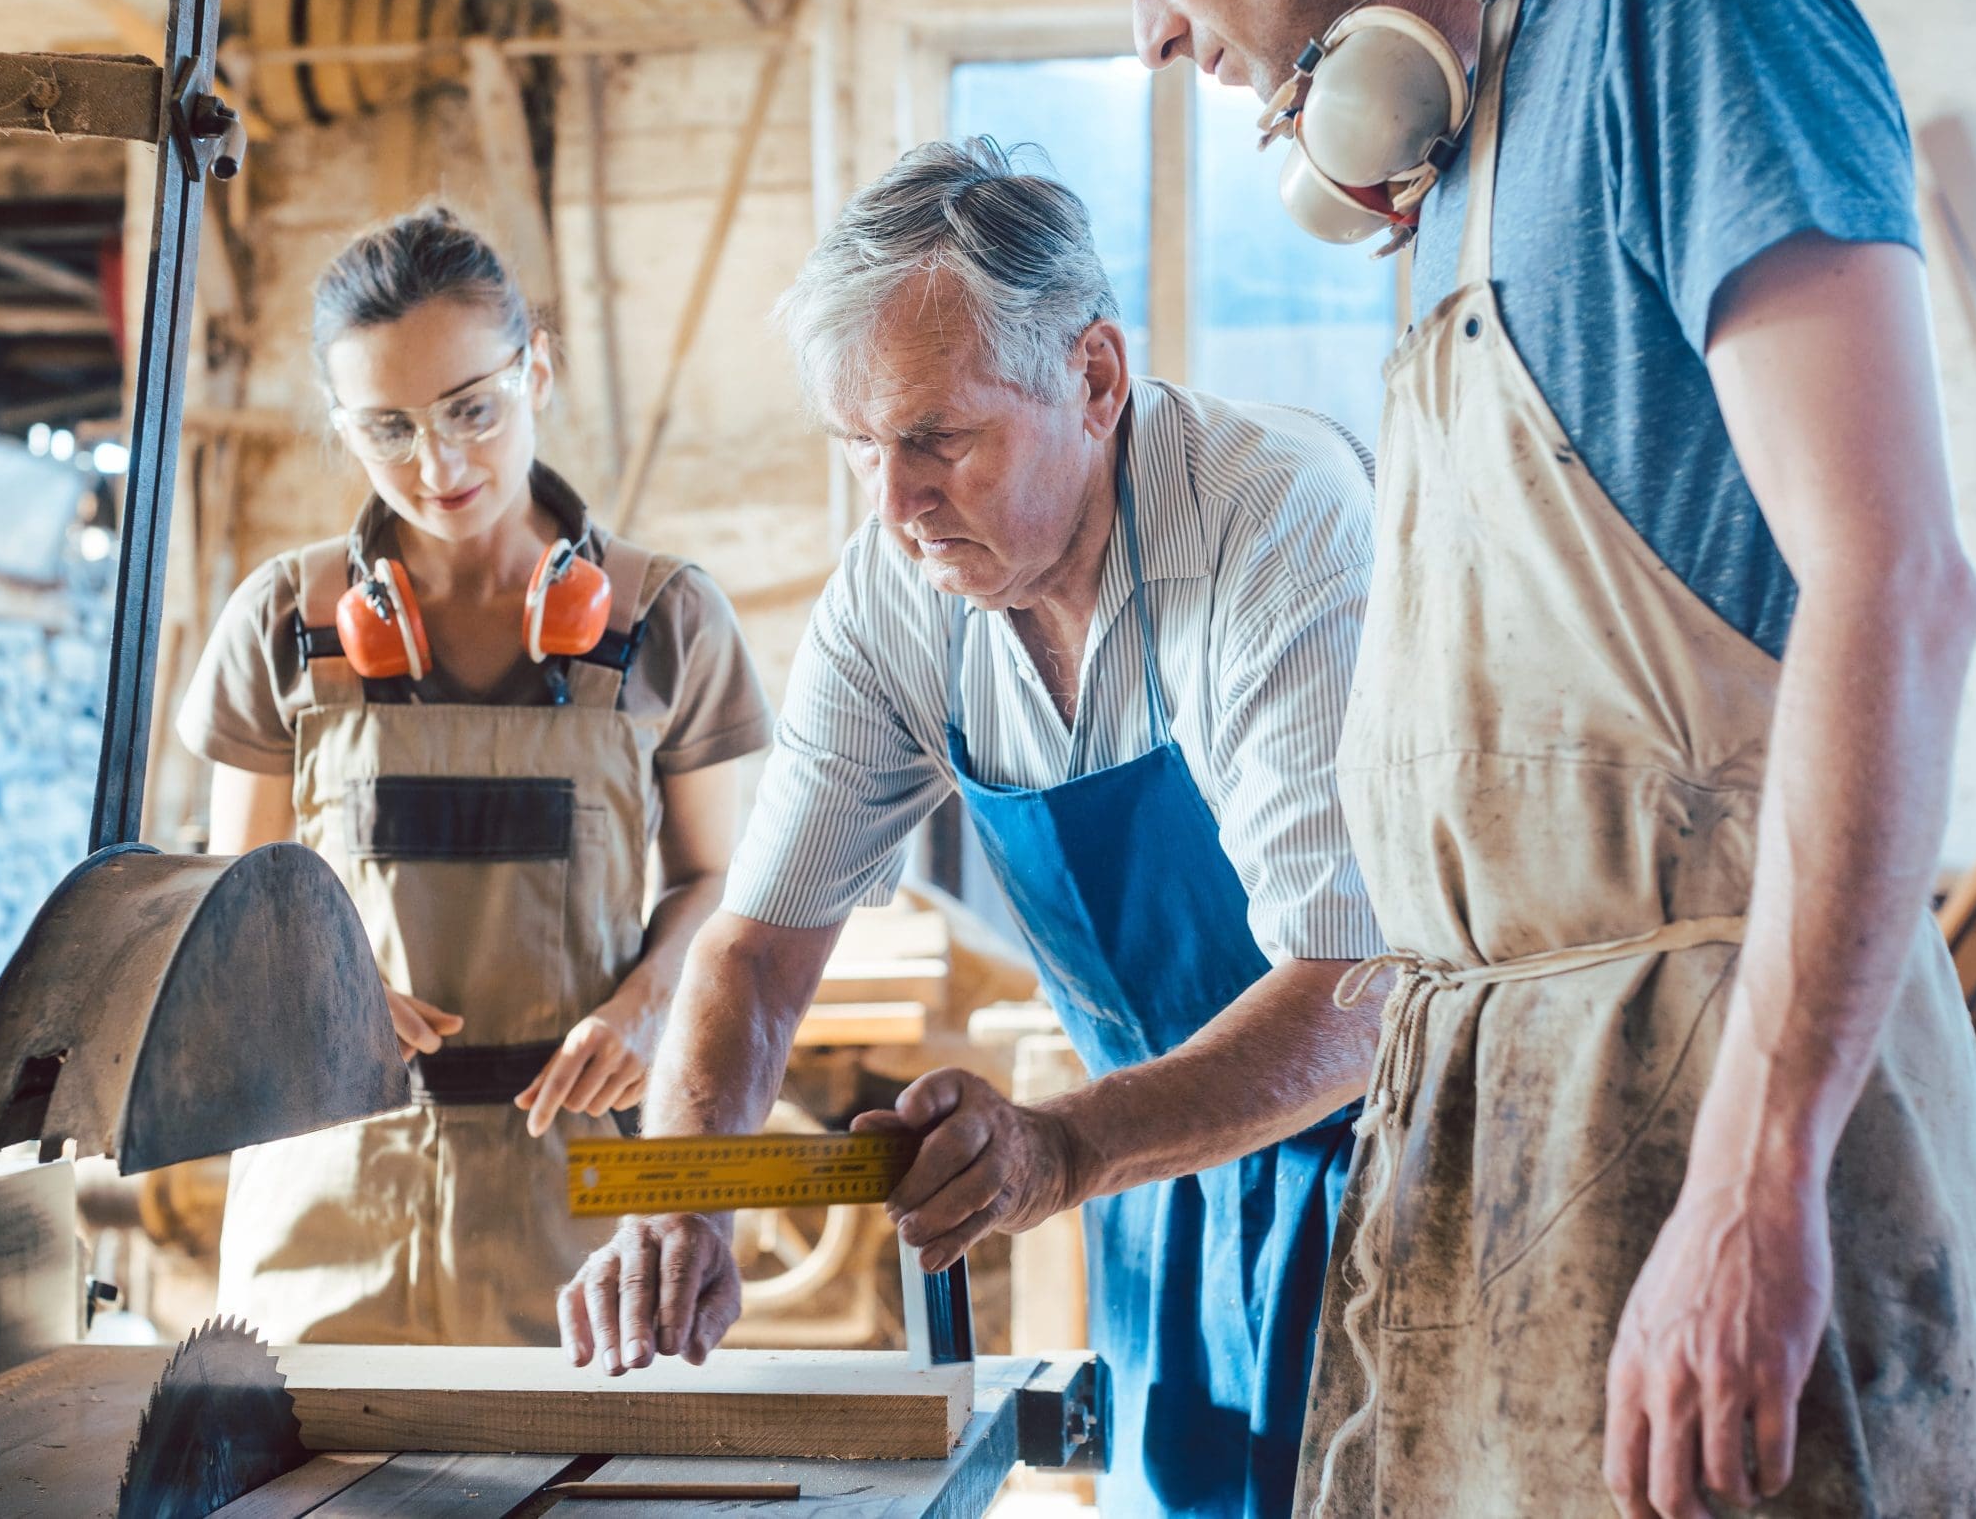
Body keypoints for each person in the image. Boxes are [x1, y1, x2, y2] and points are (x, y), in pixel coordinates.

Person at [1005, 0, 1976, 1515]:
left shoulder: (1672, 2)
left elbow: (1897, 584)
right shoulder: (1440, 177)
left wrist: (1754, 1190)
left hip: (1707, 1102)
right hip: (1489, 1129)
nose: (1152, 29)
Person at [560, 140, 1382, 1517]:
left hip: (1374, 1160)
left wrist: (1060, 1148)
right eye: (861, 450)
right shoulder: (899, 589)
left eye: (939, 439)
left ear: (1096, 381)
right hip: (1158, 1179)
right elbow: (752, 955)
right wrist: (683, 1196)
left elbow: (1355, 992)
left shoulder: (1281, 528)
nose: (894, 504)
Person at [174, 204, 773, 1345]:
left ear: (535, 368)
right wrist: (321, 977)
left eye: (471, 411)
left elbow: (714, 881)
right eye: (387, 429)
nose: (438, 465)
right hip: (331, 1193)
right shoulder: (282, 625)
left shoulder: (664, 619)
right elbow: (230, 894)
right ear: (340, 425)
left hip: (585, 1203)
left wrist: (649, 1008)